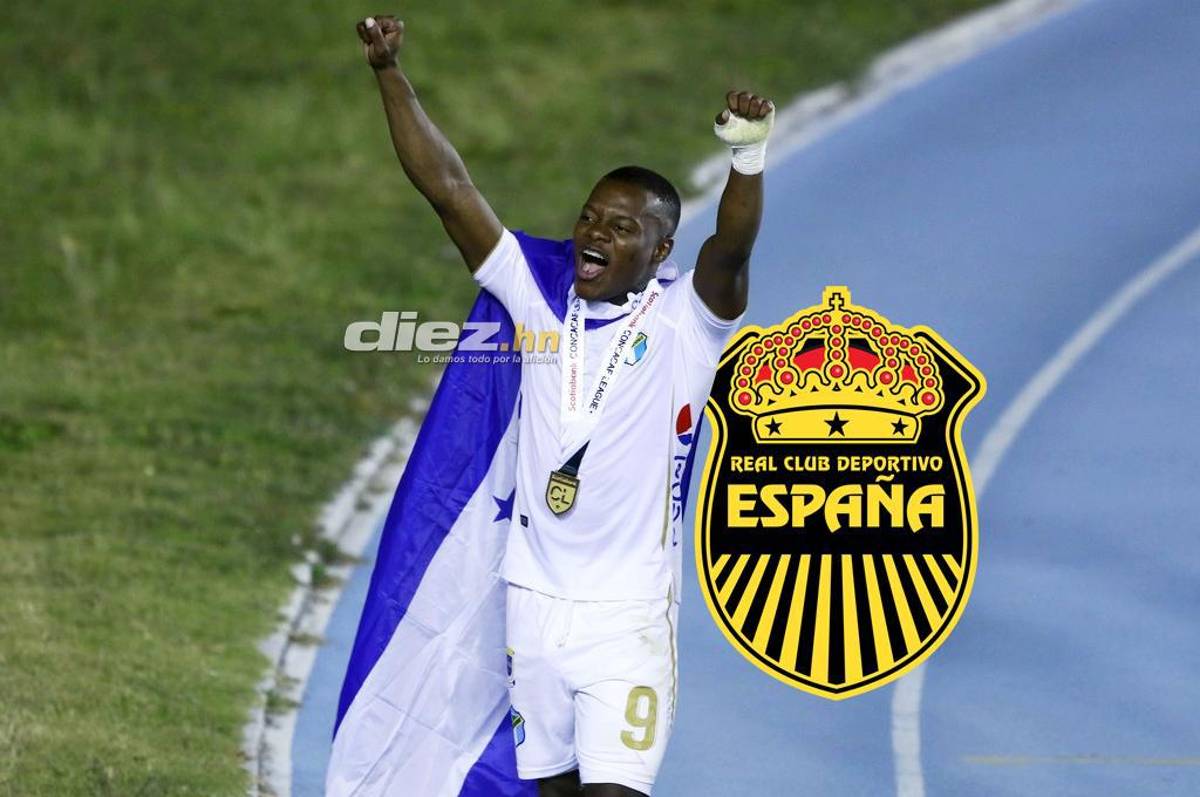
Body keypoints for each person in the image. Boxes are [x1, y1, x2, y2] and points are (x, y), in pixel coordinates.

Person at [355, 13, 774, 797]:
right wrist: (389, 74)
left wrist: (746, 156)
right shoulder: (539, 301)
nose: (593, 233)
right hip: (533, 611)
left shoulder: (686, 324)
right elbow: (449, 188)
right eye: (588, 217)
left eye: (621, 227)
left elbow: (733, 248)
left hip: (626, 622)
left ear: (659, 252)